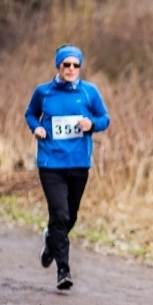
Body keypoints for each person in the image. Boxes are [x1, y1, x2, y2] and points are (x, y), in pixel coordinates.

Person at [24, 44, 111, 291]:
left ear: (80, 67)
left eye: (75, 65)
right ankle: (63, 270)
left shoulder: (89, 93)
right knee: (60, 214)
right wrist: (37, 128)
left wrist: (91, 123)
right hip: (50, 163)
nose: (71, 69)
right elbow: (30, 114)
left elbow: (105, 118)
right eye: (66, 65)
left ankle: (51, 240)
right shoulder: (43, 92)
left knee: (70, 216)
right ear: (58, 66)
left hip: (79, 162)